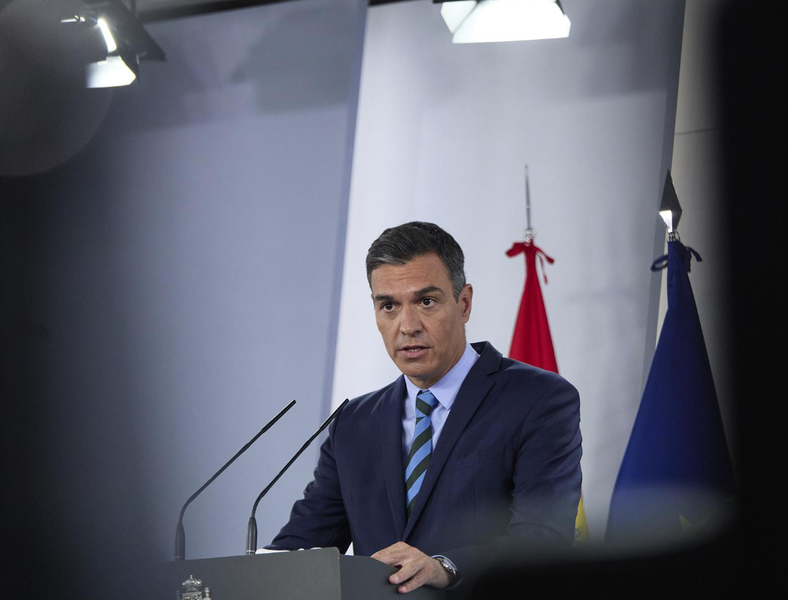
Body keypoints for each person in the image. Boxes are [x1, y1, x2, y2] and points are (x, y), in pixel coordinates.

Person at [270, 222, 582, 595]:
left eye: (426, 301)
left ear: (464, 303)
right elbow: (303, 548)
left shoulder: (538, 399)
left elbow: (544, 539)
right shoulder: (354, 423)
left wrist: (444, 567)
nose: (407, 326)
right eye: (389, 306)